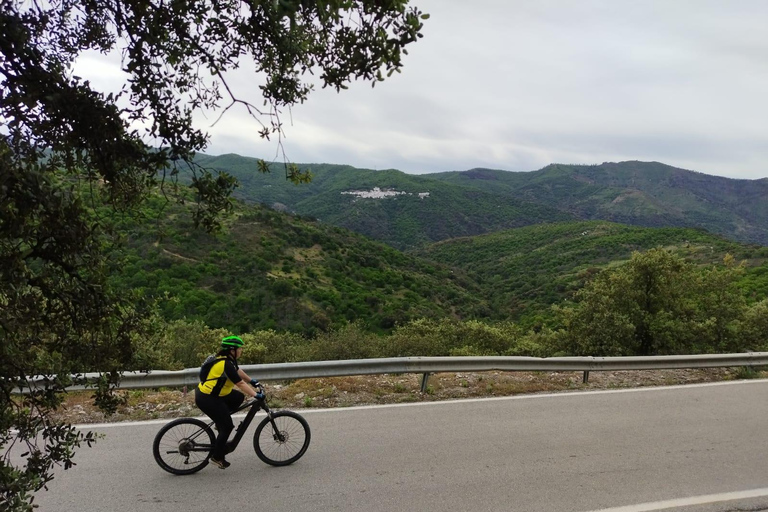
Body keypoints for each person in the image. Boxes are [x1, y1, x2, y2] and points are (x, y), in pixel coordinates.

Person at [195, 335, 261, 469]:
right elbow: (240, 383)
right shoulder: (226, 363)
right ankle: (217, 457)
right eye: (240, 348)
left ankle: (220, 421)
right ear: (232, 350)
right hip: (207, 398)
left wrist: (252, 380)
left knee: (238, 397)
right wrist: (256, 395)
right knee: (227, 426)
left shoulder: (227, 360)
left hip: (213, 394)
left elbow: (238, 371)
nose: (241, 350)